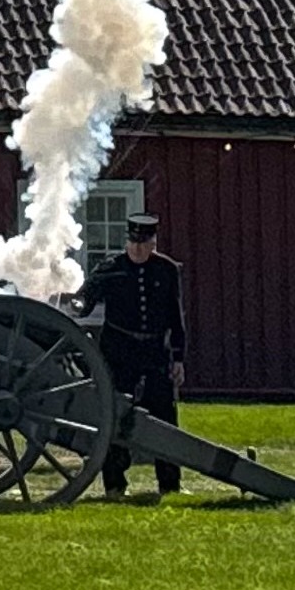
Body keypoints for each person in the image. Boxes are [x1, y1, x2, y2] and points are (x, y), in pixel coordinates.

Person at [74, 212, 184, 497]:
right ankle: (114, 484)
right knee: (113, 414)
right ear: (127, 242)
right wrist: (79, 300)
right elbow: (84, 300)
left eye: (143, 244)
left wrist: (179, 358)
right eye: (133, 243)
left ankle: (170, 484)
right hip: (119, 349)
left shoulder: (167, 270)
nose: (137, 249)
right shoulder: (111, 267)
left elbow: (175, 316)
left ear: (153, 243)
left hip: (154, 349)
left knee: (164, 414)